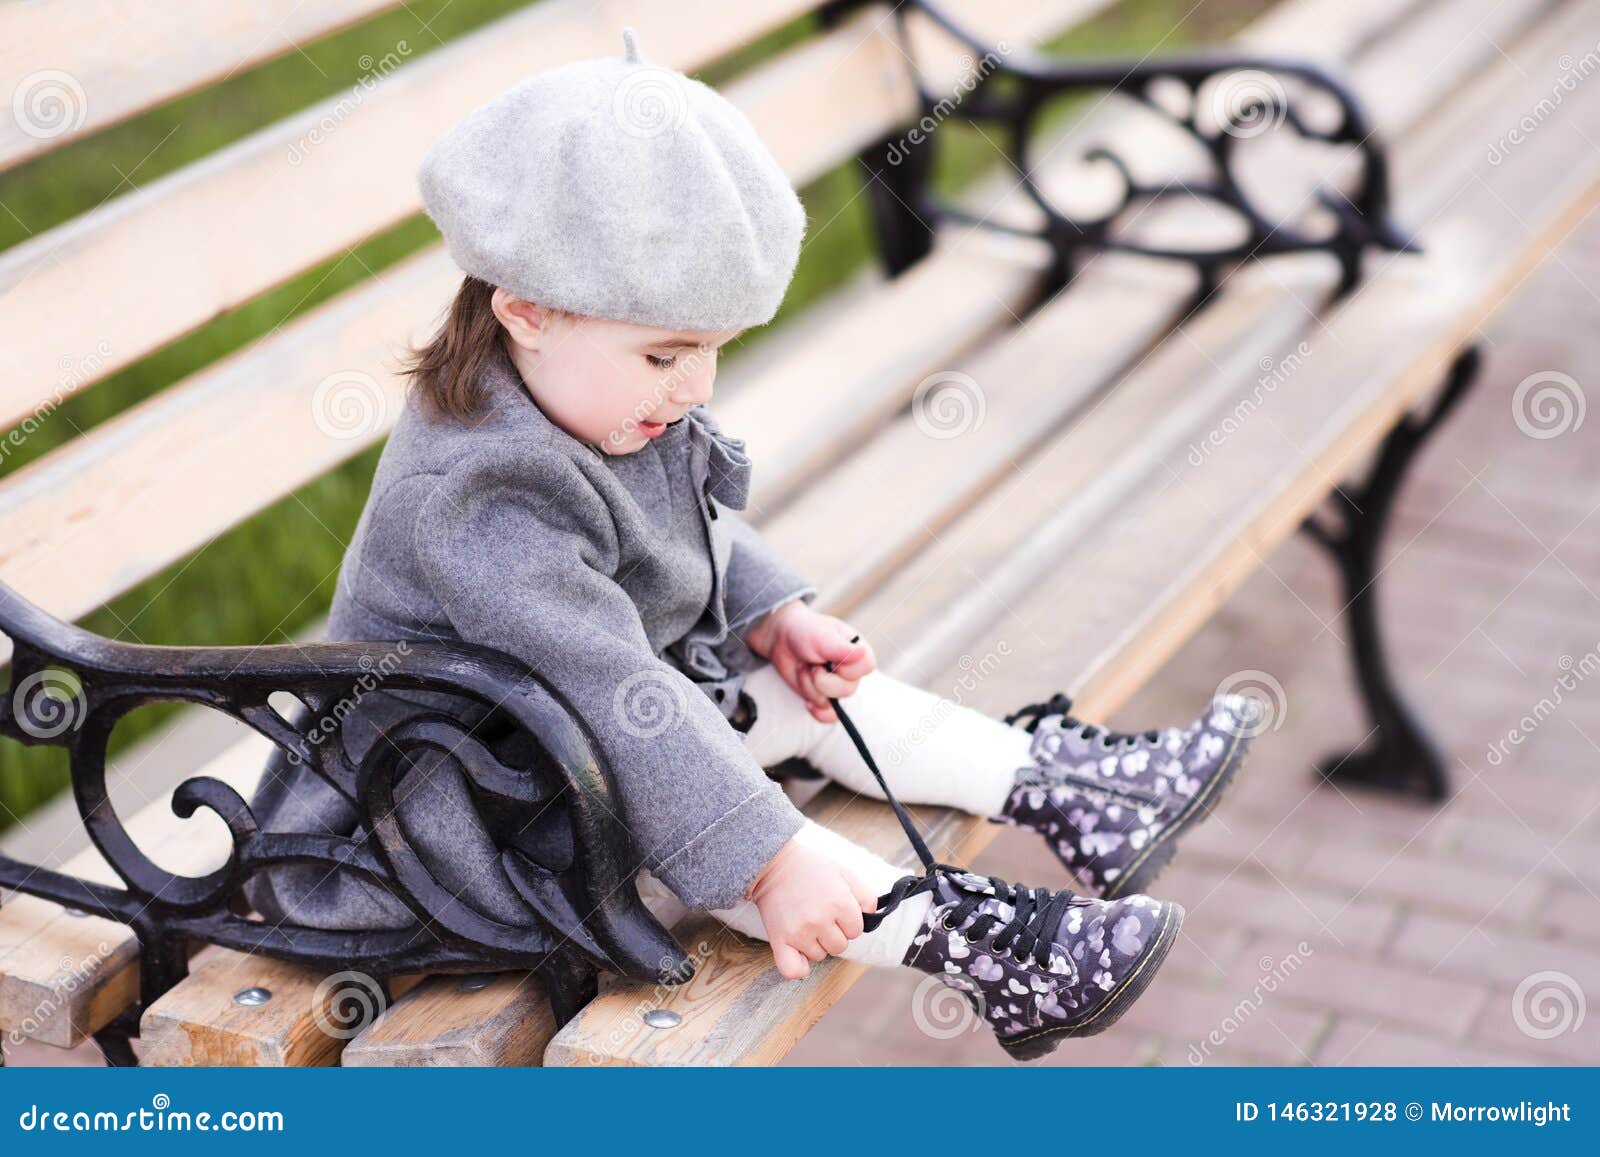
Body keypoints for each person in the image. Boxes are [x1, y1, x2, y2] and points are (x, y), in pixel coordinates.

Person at [245, 29, 1257, 1060]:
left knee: (801, 691)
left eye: (712, 354)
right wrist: (769, 859)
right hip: (447, 809)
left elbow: (689, 522)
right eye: (668, 355)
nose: (695, 391)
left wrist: (772, 611)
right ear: (526, 312)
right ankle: (987, 946)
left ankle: (1069, 792)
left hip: (563, 741)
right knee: (723, 825)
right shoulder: (477, 493)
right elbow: (607, 695)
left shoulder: (594, 390)